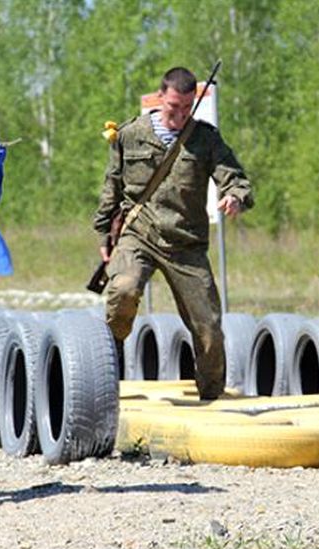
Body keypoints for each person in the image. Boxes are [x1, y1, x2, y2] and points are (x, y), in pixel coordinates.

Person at [93, 66, 253, 400]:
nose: (179, 115)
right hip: (139, 235)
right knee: (123, 290)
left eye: (186, 108)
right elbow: (112, 186)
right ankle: (104, 366)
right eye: (172, 108)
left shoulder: (205, 139)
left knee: (208, 327)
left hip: (186, 244)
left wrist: (234, 197)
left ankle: (211, 395)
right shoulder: (130, 134)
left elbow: (235, 178)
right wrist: (104, 236)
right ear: (160, 98)